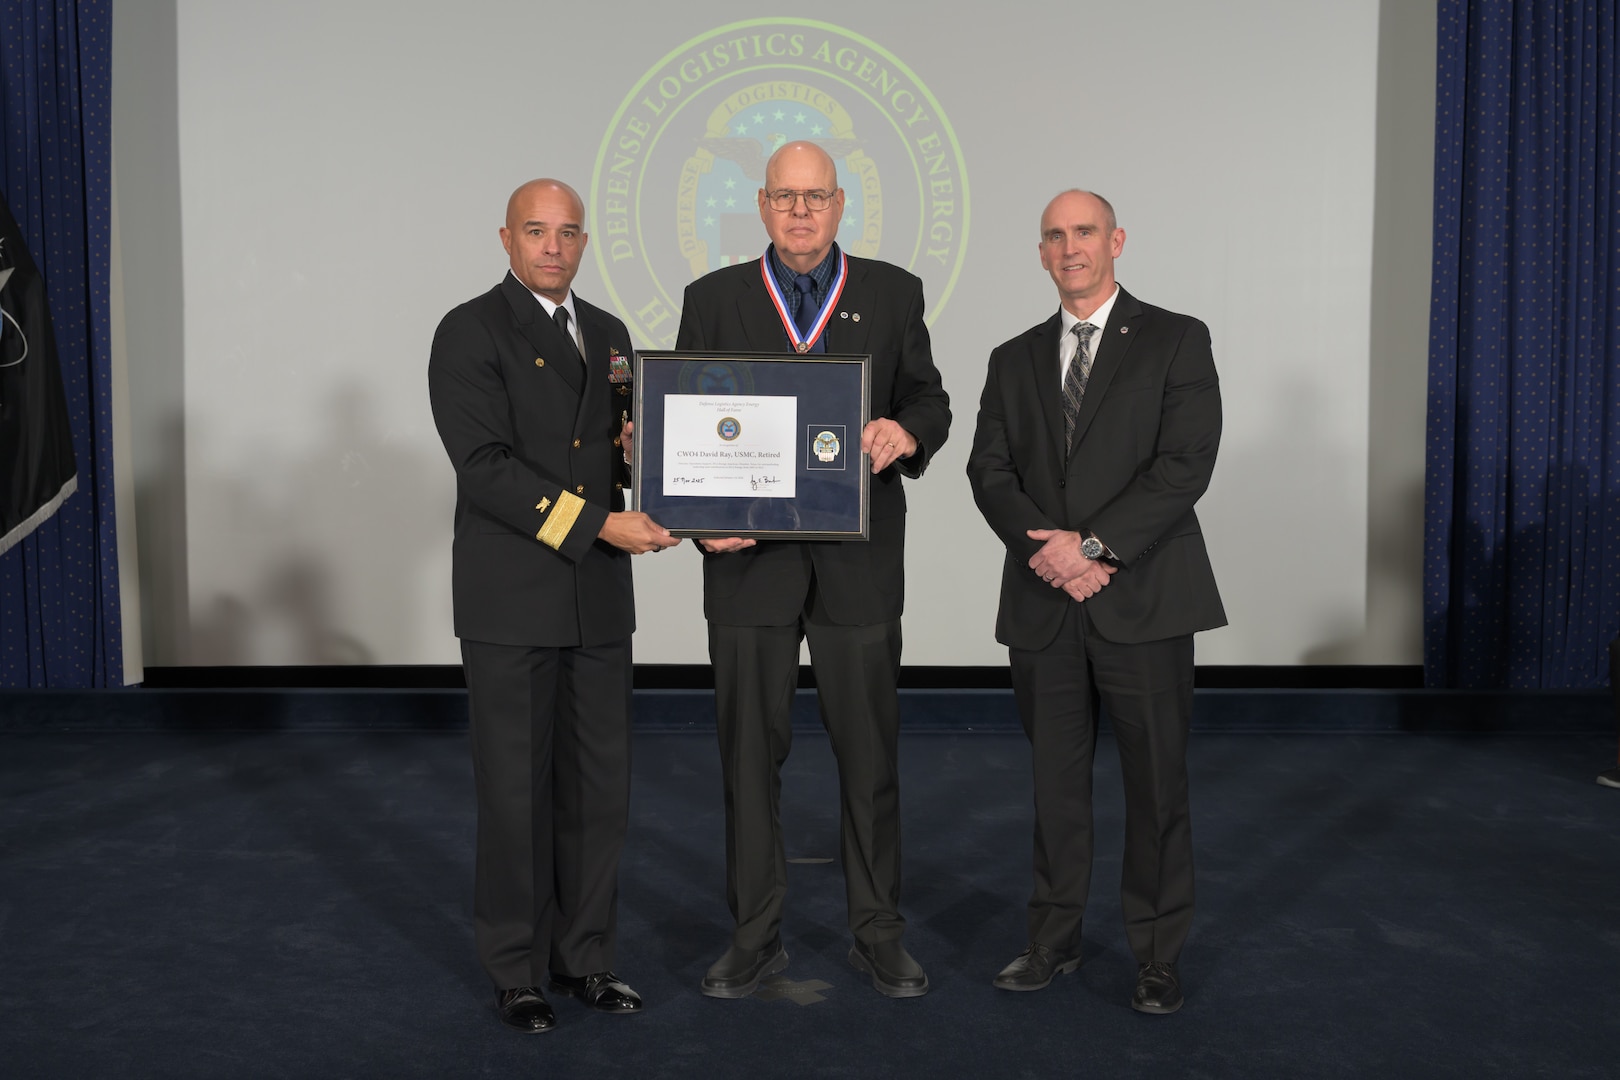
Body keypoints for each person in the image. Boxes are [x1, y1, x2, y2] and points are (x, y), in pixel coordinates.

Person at [674, 141, 951, 999]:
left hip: (858, 567)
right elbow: (684, 425)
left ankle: (877, 933)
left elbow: (929, 399)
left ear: (841, 205)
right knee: (749, 761)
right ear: (762, 205)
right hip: (748, 569)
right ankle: (755, 938)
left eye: (817, 197)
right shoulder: (712, 298)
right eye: (786, 198)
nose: (801, 212)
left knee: (869, 758)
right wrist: (693, 521)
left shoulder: (892, 291)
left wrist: (908, 433)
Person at [428, 178, 679, 1033]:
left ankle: (589, 958)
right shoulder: (468, 331)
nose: (552, 246)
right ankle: (516, 969)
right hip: (513, 602)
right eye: (536, 231)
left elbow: (621, 448)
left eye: (568, 233)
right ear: (505, 237)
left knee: (599, 794)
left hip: (598, 603)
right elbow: (486, 468)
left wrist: (671, 481)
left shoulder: (609, 335)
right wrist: (605, 523)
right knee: (514, 795)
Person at [966, 189, 1226, 1014]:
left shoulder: (1177, 339)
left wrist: (1094, 547)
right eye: (1054, 236)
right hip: (1046, 602)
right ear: (1040, 253)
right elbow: (989, 471)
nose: (1070, 247)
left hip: (1143, 598)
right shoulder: (1012, 357)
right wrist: (1051, 551)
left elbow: (1185, 465)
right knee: (1054, 783)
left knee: (1156, 785)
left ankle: (1156, 953)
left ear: (1117, 241)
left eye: (1084, 232)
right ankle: (1052, 938)